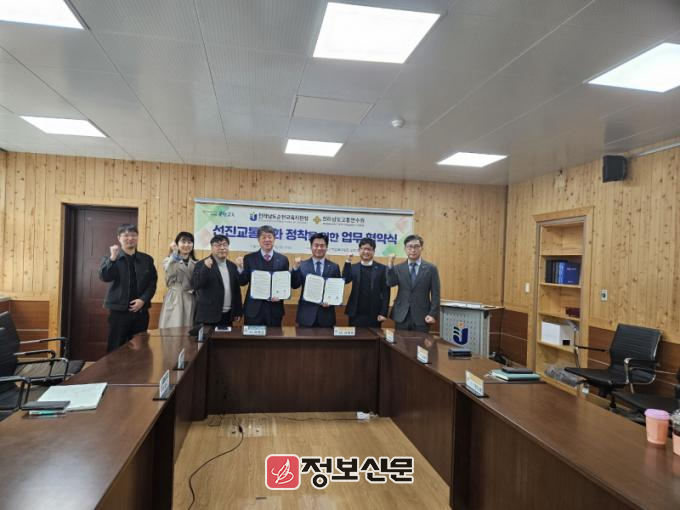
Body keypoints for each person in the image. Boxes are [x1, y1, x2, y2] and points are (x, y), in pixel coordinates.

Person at [98, 224, 158, 352]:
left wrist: (143, 300)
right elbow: (105, 277)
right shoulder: (110, 258)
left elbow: (152, 283)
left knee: (140, 348)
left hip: (141, 311)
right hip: (118, 311)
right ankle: (114, 367)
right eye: (126, 235)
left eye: (133, 235)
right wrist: (112, 259)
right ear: (119, 238)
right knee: (116, 347)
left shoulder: (146, 259)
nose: (130, 238)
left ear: (137, 237)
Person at [235, 225, 289, 326]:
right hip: (253, 310)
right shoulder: (249, 258)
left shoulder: (283, 259)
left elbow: (284, 283)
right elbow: (243, 282)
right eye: (263, 237)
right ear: (258, 240)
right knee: (251, 336)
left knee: (274, 336)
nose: (267, 240)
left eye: (269, 237)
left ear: (274, 239)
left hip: (275, 309)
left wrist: (281, 295)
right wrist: (240, 268)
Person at [386, 234, 441, 332]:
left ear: (421, 248)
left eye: (416, 246)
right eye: (410, 247)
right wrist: (390, 265)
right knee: (400, 341)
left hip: (423, 316)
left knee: (421, 341)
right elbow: (391, 283)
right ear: (405, 249)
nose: (413, 250)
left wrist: (433, 314)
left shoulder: (431, 269)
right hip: (401, 315)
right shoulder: (398, 268)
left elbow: (436, 294)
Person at [191, 234, 242, 328]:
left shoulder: (232, 266)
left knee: (225, 338)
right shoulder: (201, 264)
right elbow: (196, 285)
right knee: (207, 338)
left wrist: (238, 311)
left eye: (225, 245)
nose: (222, 248)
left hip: (228, 315)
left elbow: (236, 290)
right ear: (212, 247)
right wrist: (205, 268)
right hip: (208, 315)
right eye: (218, 245)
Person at [291, 233, 341, 327]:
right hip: (306, 316)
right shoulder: (302, 265)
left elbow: (337, 290)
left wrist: (331, 302)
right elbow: (295, 285)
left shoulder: (334, 267)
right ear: (311, 247)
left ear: (326, 247)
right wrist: (295, 269)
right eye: (316, 245)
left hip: (326, 315)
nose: (319, 248)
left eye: (322, 246)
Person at [342, 237, 389, 327]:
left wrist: (383, 313)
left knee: (374, 336)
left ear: (373, 251)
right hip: (355, 313)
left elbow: (386, 292)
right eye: (363, 249)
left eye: (369, 249)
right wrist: (348, 262)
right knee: (355, 335)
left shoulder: (382, 269)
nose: (366, 252)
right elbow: (345, 280)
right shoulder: (353, 267)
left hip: (375, 313)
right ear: (359, 250)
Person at [158, 231, 196, 328]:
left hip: (190, 298)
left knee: (188, 329)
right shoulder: (168, 260)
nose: (186, 245)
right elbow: (170, 272)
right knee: (173, 327)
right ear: (177, 244)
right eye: (183, 241)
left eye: (189, 242)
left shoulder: (196, 263)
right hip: (175, 298)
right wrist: (174, 253)